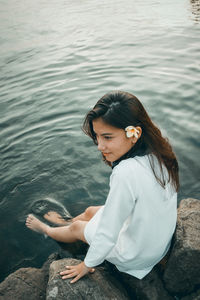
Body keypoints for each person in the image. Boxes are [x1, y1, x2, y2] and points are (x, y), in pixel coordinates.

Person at [26, 91, 179, 284]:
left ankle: (47, 230)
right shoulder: (160, 150)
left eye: (107, 137)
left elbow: (108, 232)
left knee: (77, 228)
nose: (99, 146)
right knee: (90, 211)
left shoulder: (125, 172)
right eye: (97, 137)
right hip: (157, 240)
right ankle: (64, 222)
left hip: (138, 254)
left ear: (134, 133)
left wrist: (87, 264)